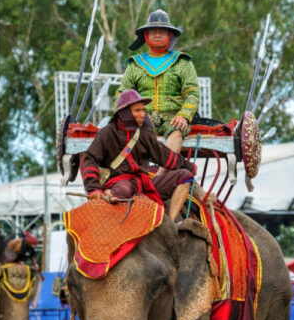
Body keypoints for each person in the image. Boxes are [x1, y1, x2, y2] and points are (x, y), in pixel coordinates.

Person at [82, 89, 205, 221]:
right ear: (124, 112)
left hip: (143, 184)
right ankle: (109, 195)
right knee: (124, 190)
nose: (142, 114)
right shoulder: (107, 133)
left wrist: (189, 167)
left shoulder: (144, 134)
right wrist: (94, 189)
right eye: (137, 111)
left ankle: (170, 223)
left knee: (185, 176)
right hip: (119, 184)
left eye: (143, 110)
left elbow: (165, 155)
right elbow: (90, 159)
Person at [116, 9, 199, 170]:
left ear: (170, 35)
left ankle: (159, 177)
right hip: (143, 119)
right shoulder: (135, 64)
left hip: (173, 118)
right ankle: (136, 175)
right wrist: (127, 116)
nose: (157, 35)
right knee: (129, 134)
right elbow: (122, 94)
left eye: (162, 31)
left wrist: (184, 115)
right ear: (145, 36)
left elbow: (192, 93)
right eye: (153, 31)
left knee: (177, 130)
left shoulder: (183, 62)